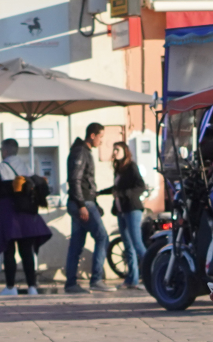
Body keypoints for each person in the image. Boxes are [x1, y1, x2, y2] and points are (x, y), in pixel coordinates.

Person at [0, 139, 51, 295]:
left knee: (9, 252)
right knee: (27, 252)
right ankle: (32, 287)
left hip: (8, 213)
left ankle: (10, 287)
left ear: (4, 151)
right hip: (27, 214)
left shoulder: (1, 167)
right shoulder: (27, 167)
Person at [64, 123, 113, 294]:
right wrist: (82, 205)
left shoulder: (82, 151)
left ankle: (71, 283)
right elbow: (75, 180)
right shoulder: (81, 152)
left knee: (76, 244)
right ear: (92, 135)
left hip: (83, 201)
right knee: (102, 237)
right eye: (101, 136)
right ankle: (96, 279)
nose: (102, 141)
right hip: (83, 202)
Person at [103, 140, 152, 289]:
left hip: (132, 209)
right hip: (121, 211)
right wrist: (99, 193)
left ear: (125, 151)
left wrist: (123, 194)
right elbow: (115, 188)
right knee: (128, 246)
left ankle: (151, 276)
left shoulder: (131, 167)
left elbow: (141, 186)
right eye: (114, 149)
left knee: (137, 244)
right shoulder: (119, 169)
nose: (115, 152)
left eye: (117, 149)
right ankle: (132, 280)